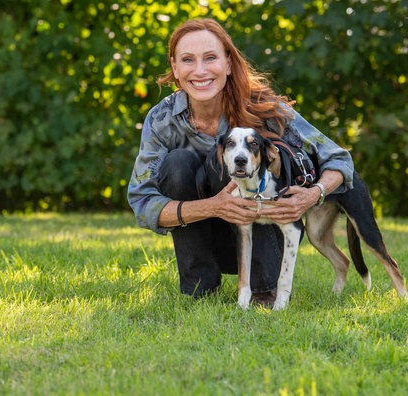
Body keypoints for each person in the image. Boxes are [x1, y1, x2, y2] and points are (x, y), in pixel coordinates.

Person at [127, 18, 354, 307]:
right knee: (178, 162)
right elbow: (141, 201)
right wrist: (213, 206)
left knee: (243, 165)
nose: (200, 70)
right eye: (187, 60)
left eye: (210, 58)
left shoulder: (265, 107)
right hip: (204, 236)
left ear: (229, 64)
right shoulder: (162, 120)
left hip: (263, 232)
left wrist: (312, 195)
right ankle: (200, 287)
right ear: (175, 68)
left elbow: (338, 158)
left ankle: (262, 288)